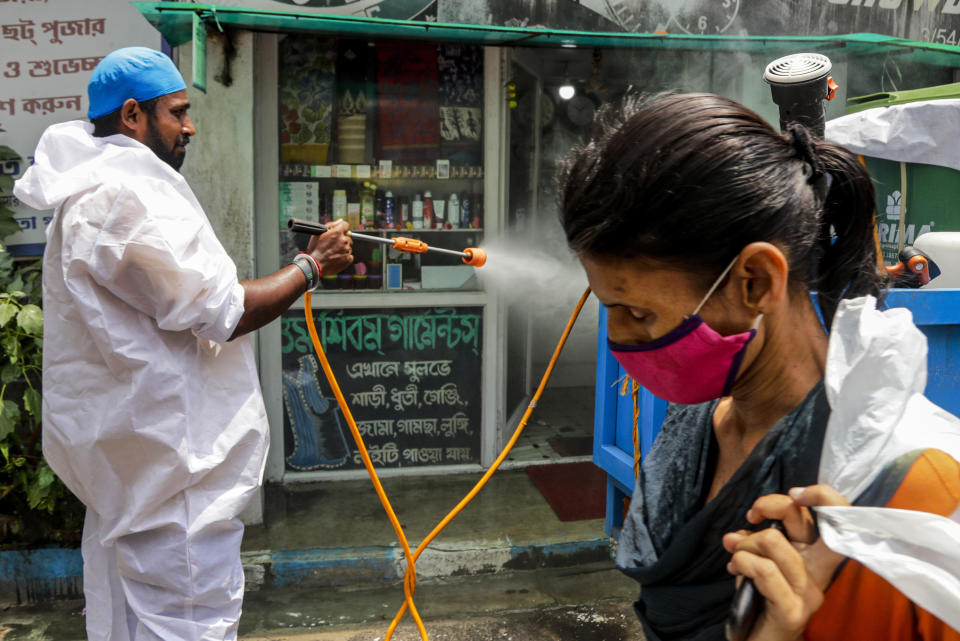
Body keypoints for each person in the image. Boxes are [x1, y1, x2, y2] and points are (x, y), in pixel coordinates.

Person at [557, 92, 960, 641]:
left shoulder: (913, 496)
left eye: (639, 312)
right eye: (610, 310)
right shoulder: (692, 428)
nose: (619, 338)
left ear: (756, 282)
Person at [14, 47, 352, 640]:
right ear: (132, 116)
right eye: (178, 112)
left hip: (135, 474)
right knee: (187, 624)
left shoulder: (93, 190)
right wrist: (310, 266)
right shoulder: (126, 197)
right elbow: (222, 312)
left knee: (129, 623)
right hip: (173, 480)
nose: (190, 127)